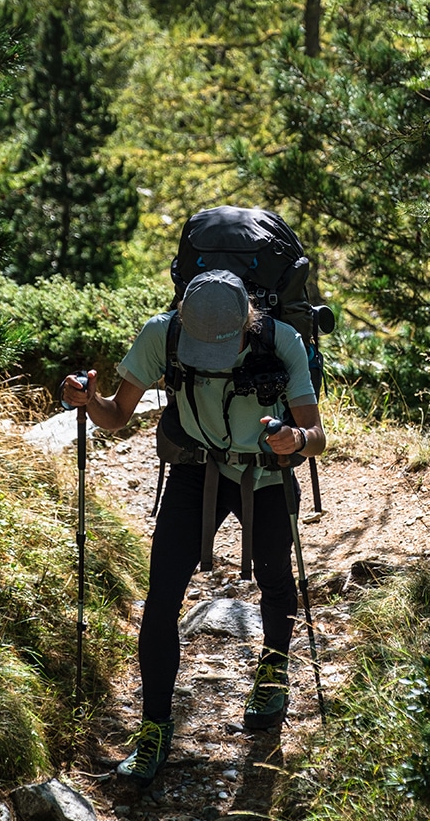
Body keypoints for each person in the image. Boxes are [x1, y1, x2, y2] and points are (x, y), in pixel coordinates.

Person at [62, 268, 325, 785]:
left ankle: (273, 672)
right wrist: (86, 399)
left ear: (248, 323)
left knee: (275, 580)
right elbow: (115, 415)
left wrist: (294, 439)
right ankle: (154, 728)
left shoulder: (282, 340)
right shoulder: (163, 333)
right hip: (194, 470)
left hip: (266, 473)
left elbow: (316, 435)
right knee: (162, 596)